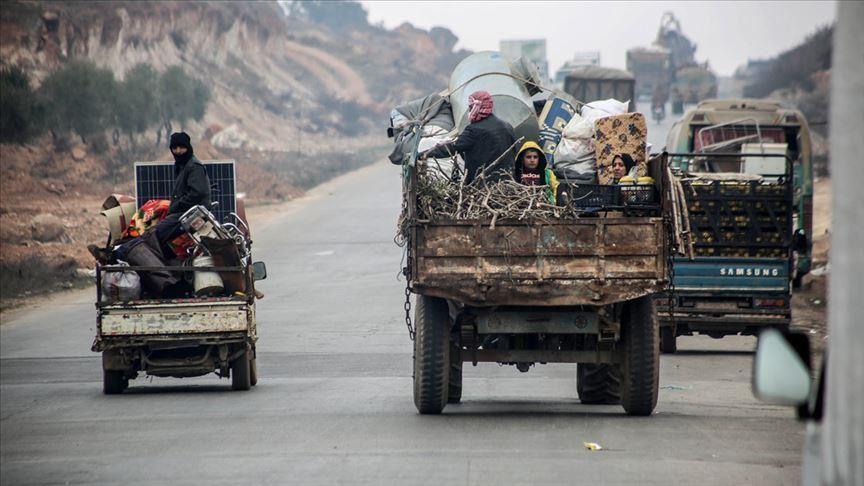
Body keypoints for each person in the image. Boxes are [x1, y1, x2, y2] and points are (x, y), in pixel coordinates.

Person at [89, 132, 211, 263]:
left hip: (189, 215)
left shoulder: (193, 167)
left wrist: (175, 206)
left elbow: (197, 193)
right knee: (151, 233)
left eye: (182, 147)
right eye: (175, 148)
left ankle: (114, 256)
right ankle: (115, 253)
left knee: (151, 235)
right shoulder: (183, 165)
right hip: (184, 213)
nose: (178, 151)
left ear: (188, 147)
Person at [424, 90, 517, 185]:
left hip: (483, 185)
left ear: (478, 107)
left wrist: (425, 154)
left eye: (471, 107)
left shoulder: (474, 130)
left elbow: (453, 147)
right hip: (508, 184)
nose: (469, 110)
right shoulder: (507, 126)